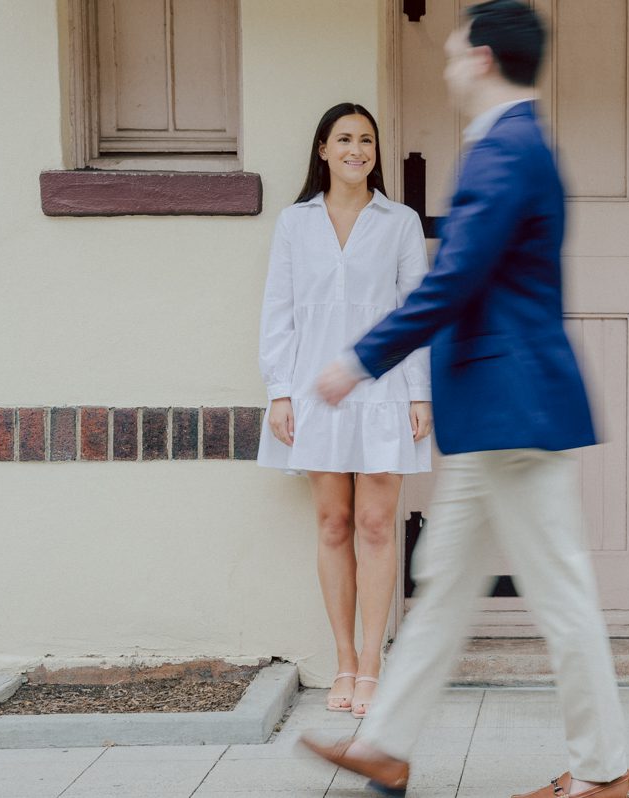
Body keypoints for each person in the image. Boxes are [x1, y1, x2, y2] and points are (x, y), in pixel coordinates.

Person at [303, 3, 629, 797]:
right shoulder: (514, 144)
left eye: (453, 53)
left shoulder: (504, 150)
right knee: (444, 584)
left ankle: (605, 775)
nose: (448, 65)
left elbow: (454, 281)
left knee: (560, 598)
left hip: (512, 409)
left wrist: (360, 360)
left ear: (483, 59)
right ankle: (386, 745)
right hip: (499, 410)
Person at [257, 102, 433, 720]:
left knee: (378, 527)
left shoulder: (400, 221)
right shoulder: (294, 222)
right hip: (315, 392)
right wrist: (280, 391)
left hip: (383, 392)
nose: (357, 149)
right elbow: (279, 310)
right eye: (345, 139)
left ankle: (374, 664)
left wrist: (420, 394)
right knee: (333, 524)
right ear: (323, 150)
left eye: (367, 140)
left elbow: (416, 314)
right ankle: (345, 664)